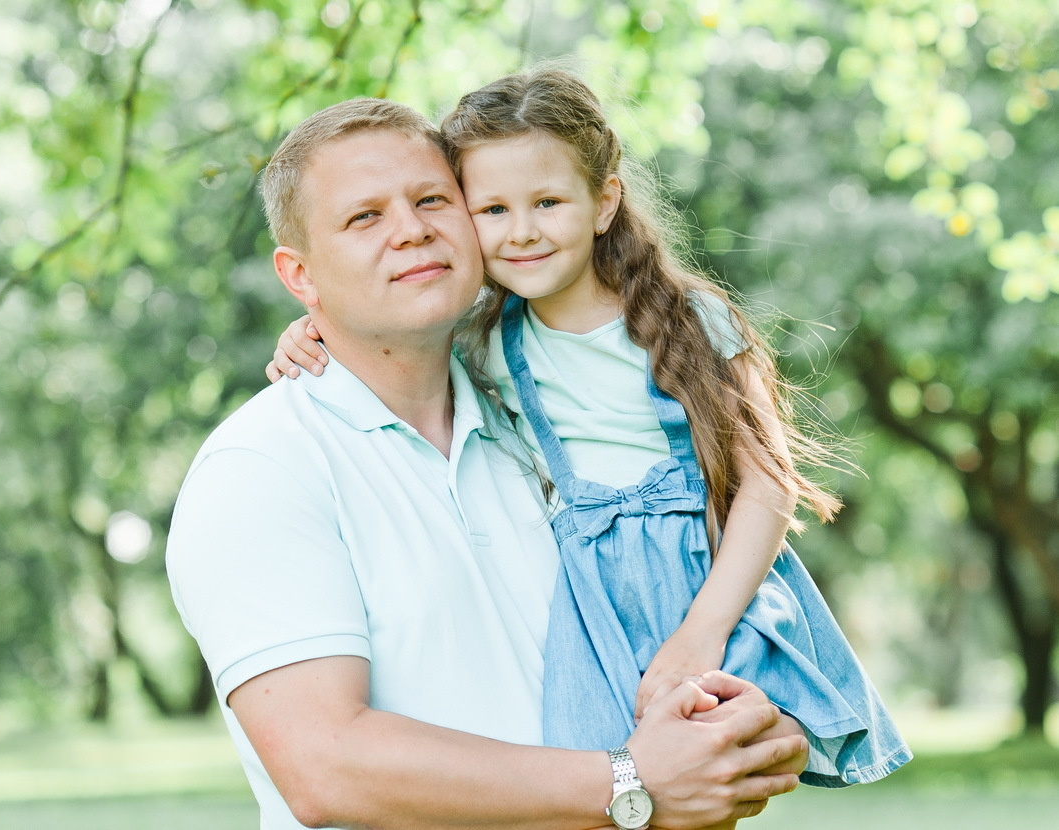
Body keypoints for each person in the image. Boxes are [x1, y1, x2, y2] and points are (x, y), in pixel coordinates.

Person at [167, 94, 808, 830]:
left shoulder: (533, 425)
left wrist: (731, 737)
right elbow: (325, 767)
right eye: (364, 217)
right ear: (300, 278)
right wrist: (630, 783)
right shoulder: (262, 469)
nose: (411, 230)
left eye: (433, 199)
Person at [267, 68, 912, 788]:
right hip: (593, 606)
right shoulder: (486, 344)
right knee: (610, 787)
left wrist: (702, 633)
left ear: (604, 202)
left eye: (548, 202)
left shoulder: (690, 322)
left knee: (727, 765)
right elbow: (383, 331)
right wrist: (311, 329)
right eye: (492, 210)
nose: (523, 232)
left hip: (707, 589)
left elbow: (767, 487)